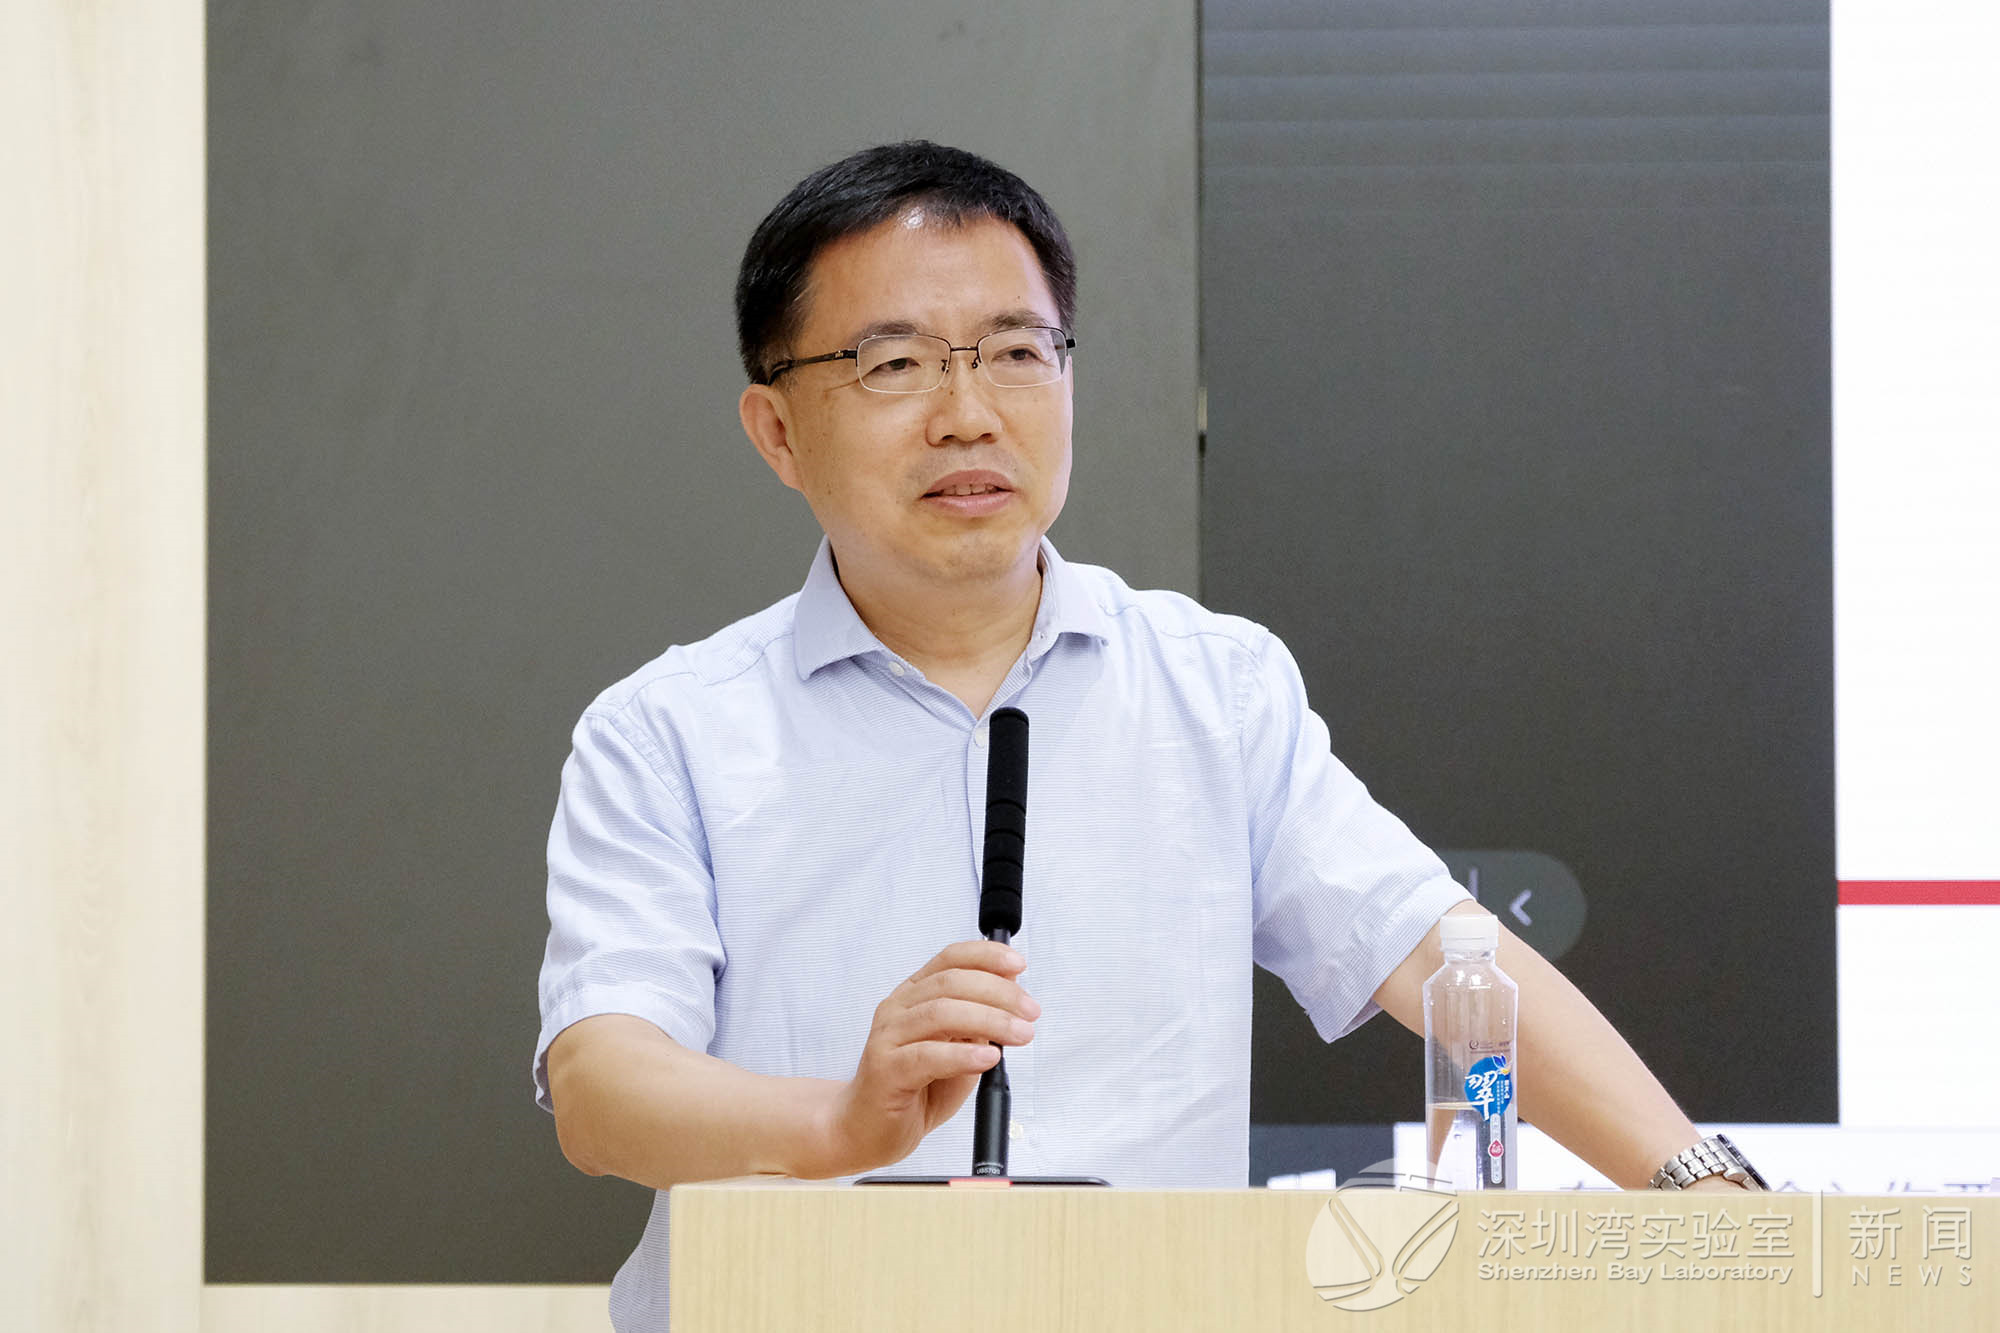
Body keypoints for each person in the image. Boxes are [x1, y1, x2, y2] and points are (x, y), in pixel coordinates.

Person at [534, 141, 1753, 1332]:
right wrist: (841, 1121)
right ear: (777, 431)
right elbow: (601, 1086)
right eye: (894, 364)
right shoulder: (669, 732)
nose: (968, 414)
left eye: (1016, 352)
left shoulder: (1213, 687)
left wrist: (1706, 1193)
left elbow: (1437, 954)